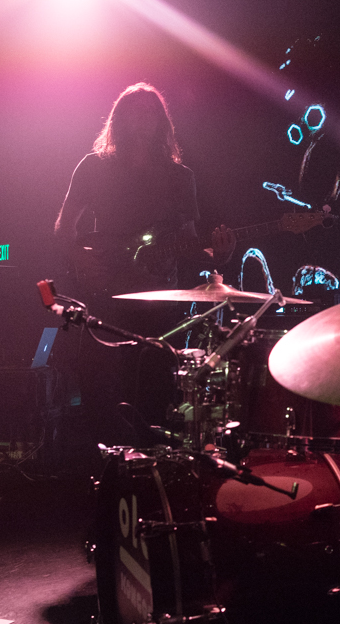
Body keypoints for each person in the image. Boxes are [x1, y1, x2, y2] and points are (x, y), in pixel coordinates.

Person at [54, 83, 233, 446]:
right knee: (102, 390)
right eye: (135, 109)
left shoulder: (181, 177)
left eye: (152, 110)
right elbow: (64, 225)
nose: (144, 116)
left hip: (158, 299)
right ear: (119, 118)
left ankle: (153, 463)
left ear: (162, 121)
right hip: (106, 295)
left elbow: (188, 242)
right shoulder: (94, 166)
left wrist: (220, 254)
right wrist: (79, 258)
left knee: (154, 392)